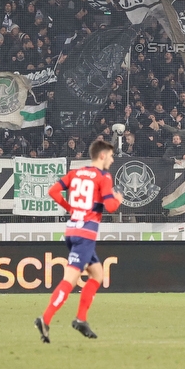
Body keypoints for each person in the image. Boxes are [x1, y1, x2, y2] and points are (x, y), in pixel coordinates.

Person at [36, 139, 124, 343]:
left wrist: (70, 209)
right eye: (110, 156)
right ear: (102, 156)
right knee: (70, 280)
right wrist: (118, 200)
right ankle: (45, 318)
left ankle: (81, 319)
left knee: (97, 274)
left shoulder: (75, 172)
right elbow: (110, 206)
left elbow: (52, 191)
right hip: (86, 233)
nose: (111, 160)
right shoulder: (104, 176)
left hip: (72, 230)